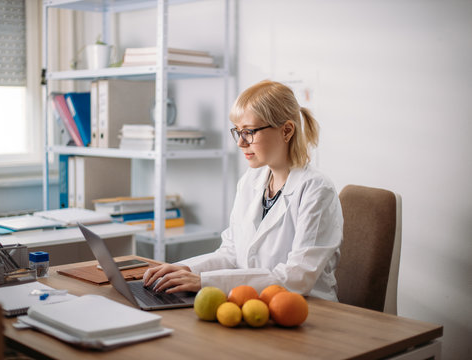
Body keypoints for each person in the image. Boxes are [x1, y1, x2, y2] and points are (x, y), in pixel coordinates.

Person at [143, 80, 343, 302]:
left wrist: (205, 282)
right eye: (238, 132)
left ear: (286, 131)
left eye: (249, 132)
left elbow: (298, 278)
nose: (240, 143)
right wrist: (184, 269)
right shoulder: (251, 180)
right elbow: (231, 253)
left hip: (306, 310)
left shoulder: (316, 190)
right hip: (253, 303)